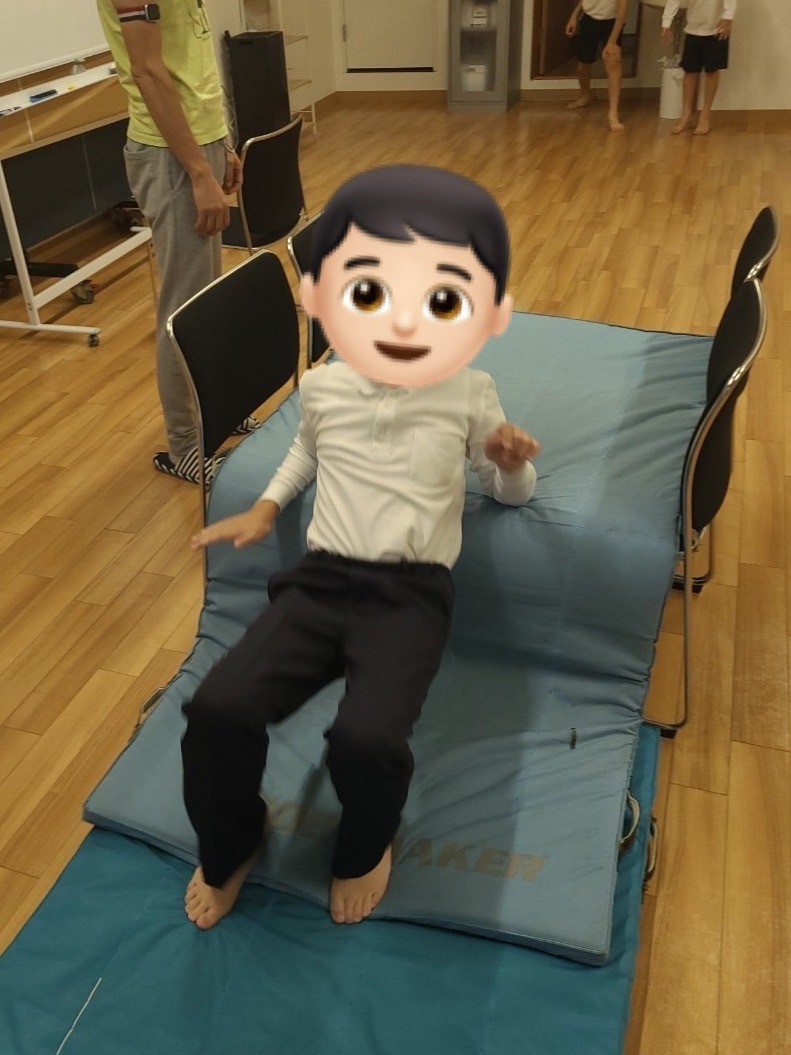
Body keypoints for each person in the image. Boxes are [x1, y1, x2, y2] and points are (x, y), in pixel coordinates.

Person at [180, 164, 542, 930]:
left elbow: (510, 490)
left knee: (366, 737)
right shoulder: (325, 386)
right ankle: (233, 838)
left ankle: (365, 844)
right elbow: (307, 451)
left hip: (409, 597)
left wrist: (509, 464)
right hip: (319, 584)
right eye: (371, 293)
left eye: (439, 301)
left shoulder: (467, 390)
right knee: (216, 708)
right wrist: (266, 506)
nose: (403, 324)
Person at [96, 1, 248, 484]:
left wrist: (219, 143)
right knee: (183, 309)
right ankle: (185, 447)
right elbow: (147, 71)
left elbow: (191, 58)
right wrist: (199, 171)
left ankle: (219, 410)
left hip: (198, 143)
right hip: (171, 155)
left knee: (207, 299)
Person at [661, 0, 737, 135]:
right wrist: (666, 22)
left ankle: (705, 115)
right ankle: (686, 113)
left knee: (712, 71)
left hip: (717, 28)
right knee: (690, 71)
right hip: (693, 28)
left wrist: (728, 16)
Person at [565, 0, 628, 132]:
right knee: (583, 65)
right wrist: (574, 16)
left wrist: (612, 42)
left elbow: (622, 9)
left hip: (612, 23)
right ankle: (585, 96)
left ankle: (613, 113)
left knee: (613, 62)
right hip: (589, 20)